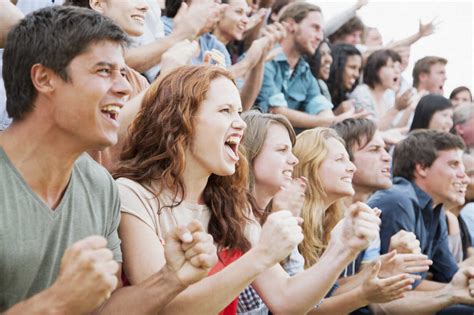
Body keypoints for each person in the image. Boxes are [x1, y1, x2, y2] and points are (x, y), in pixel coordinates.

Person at [114, 65, 382, 314]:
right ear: (180, 119)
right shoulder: (132, 195)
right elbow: (163, 307)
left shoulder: (233, 205)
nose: (241, 123)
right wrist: (261, 255)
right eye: (225, 111)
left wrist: (342, 249)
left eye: (239, 112)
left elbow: (286, 300)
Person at [0, 6, 217, 313]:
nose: (125, 87)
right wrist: (57, 301)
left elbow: (103, 307)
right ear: (44, 78)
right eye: (104, 71)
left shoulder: (100, 185)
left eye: (123, 73)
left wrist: (170, 279)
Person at [293, 127, 423, 314]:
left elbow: (332, 291)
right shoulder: (289, 219)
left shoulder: (340, 218)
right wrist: (364, 293)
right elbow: (301, 305)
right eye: (340, 160)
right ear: (310, 166)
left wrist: (383, 266)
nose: (352, 167)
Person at [367, 130, 474, 314]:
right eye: (454, 164)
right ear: (422, 168)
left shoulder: (435, 208)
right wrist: (454, 292)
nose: (463, 177)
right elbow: (391, 293)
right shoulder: (398, 200)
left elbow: (449, 275)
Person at [255, 2, 365, 131]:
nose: (320, 37)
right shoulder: (265, 58)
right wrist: (333, 121)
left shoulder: (304, 70)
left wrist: (334, 122)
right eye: (315, 28)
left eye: (322, 31)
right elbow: (275, 111)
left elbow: (321, 107)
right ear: (291, 25)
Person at [350, 49, 411, 130]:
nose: (397, 71)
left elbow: (393, 129)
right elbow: (369, 130)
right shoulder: (362, 92)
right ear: (376, 69)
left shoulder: (388, 95)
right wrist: (395, 109)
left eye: (399, 67)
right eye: (392, 66)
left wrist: (410, 108)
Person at [326, 43, 362, 113]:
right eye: (352, 67)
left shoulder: (344, 96)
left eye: (359, 69)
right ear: (338, 66)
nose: (357, 74)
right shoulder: (320, 90)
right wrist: (337, 113)